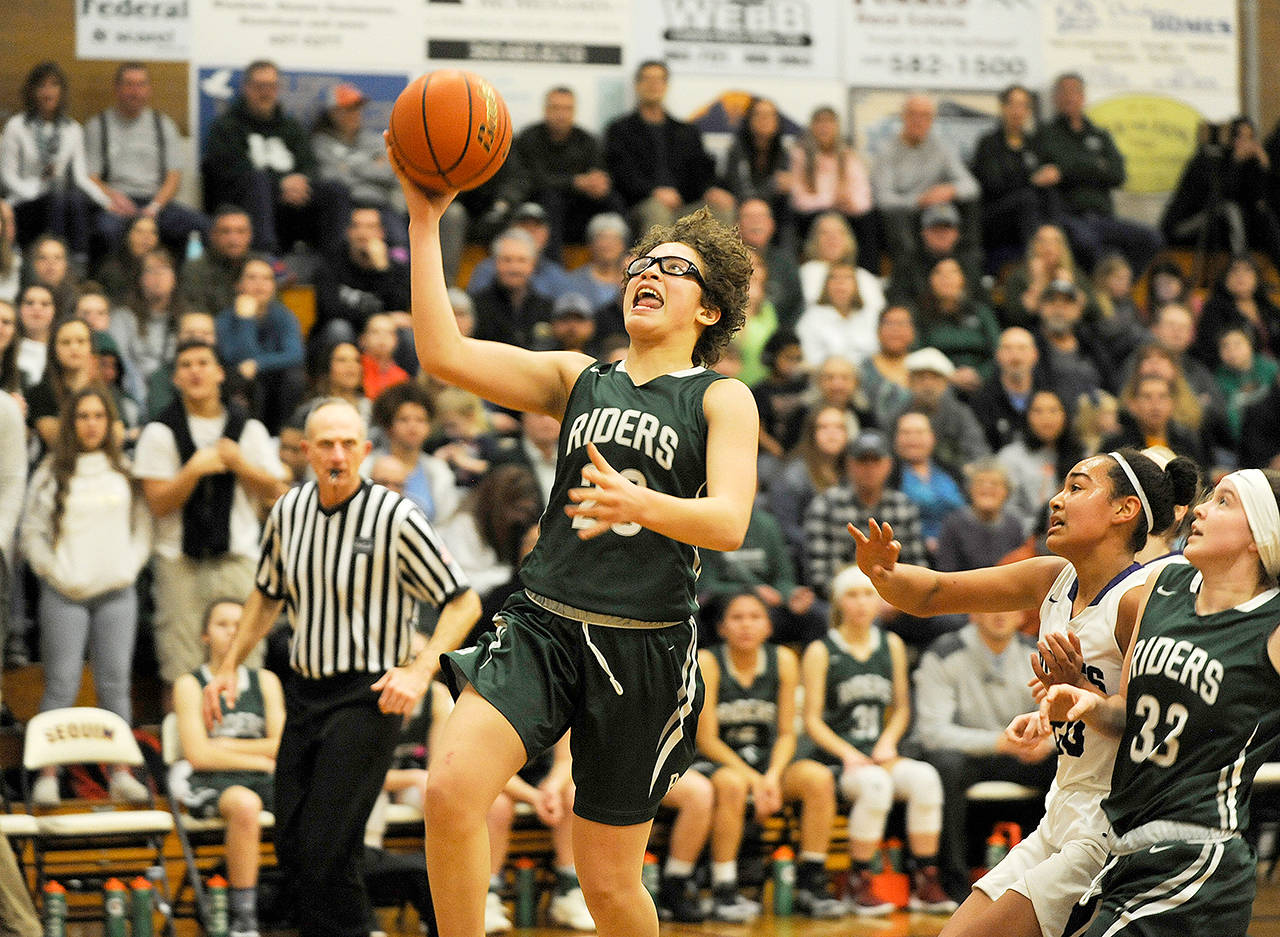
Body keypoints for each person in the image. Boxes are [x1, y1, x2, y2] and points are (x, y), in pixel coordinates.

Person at [391, 117, 758, 937]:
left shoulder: (721, 398)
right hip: (544, 624)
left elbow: (730, 521)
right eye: (642, 265)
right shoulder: (576, 377)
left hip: (645, 646)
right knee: (448, 789)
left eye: (674, 269)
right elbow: (443, 353)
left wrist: (642, 506)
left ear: (709, 309)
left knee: (608, 886)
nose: (648, 274)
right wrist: (425, 220)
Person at [849, 446, 1199, 937]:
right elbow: (934, 593)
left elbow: (1145, 717)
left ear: (1125, 510)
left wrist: (1077, 694)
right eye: (1061, 487)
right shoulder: (1051, 578)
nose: (1057, 500)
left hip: (1113, 817)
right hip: (1062, 804)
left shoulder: (1136, 600)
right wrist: (884, 575)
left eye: (1077, 487)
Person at [203, 398, 482, 937]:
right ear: (305, 451)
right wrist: (228, 666)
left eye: (348, 443)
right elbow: (266, 595)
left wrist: (420, 670)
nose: (337, 454)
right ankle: (387, 903)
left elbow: (462, 601)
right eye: (325, 443)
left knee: (326, 843)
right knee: (292, 844)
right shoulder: (288, 512)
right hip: (306, 693)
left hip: (370, 694)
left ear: (365, 450)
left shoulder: (395, 516)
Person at [1032, 468, 1280, 937]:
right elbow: (1128, 712)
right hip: (1127, 852)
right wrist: (1084, 700)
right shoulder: (1163, 587)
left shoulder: (1271, 623)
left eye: (1224, 501)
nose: (1201, 509)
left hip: (1198, 856)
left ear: (1260, 535)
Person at [799, 565, 956, 915]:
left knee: (926, 778)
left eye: (869, 594)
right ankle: (858, 881)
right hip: (837, 755)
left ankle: (924, 879)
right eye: (853, 595)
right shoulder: (821, 650)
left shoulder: (892, 644)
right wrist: (848, 753)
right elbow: (811, 720)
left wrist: (888, 741)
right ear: (839, 602)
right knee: (874, 786)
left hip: (879, 750)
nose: (861, 603)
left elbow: (901, 708)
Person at [22, 385, 152, 806]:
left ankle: (120, 773)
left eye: (98, 416)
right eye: (82, 416)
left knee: (115, 685)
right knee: (60, 686)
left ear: (109, 422)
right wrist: (53, 572)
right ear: (70, 424)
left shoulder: (125, 472)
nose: (90, 424)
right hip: (65, 594)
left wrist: (128, 568)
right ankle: (47, 776)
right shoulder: (50, 472)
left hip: (117, 593)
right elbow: (32, 533)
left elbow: (143, 529)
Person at [134, 339, 287, 689]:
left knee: (246, 667)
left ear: (220, 373)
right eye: (186, 365)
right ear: (175, 378)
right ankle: (186, 741)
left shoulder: (248, 428)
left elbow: (277, 492)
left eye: (203, 363)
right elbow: (158, 504)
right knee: (181, 669)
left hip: (239, 559)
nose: (195, 371)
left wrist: (240, 465)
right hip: (179, 563)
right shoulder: (159, 431)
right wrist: (193, 471)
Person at [691, 591, 845, 920]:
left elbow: (788, 733)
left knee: (818, 778)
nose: (746, 625)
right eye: (737, 617)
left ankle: (811, 881)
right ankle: (724, 888)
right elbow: (707, 739)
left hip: (767, 765)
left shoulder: (784, 660)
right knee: (732, 784)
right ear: (721, 628)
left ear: (768, 627)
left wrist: (772, 777)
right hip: (720, 763)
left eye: (755, 617)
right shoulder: (709, 661)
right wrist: (756, 780)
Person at [913, 608, 1056, 902]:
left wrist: (1050, 741)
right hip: (969, 756)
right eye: (990, 605)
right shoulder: (943, 653)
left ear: (1022, 615)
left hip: (1022, 752)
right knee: (944, 766)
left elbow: (1065, 716)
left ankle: (1053, 876)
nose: (1000, 614)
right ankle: (952, 882)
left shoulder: (1038, 653)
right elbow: (933, 732)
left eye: (1009, 606)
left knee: (1068, 759)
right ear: (973, 614)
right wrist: (998, 742)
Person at [172, 597, 284, 937]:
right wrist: (259, 760)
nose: (233, 631)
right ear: (205, 635)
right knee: (245, 805)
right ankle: (244, 917)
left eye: (240, 624)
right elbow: (199, 756)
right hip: (211, 779)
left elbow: (282, 745)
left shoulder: (265, 681)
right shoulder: (190, 684)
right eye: (223, 624)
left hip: (261, 773)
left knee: (319, 800)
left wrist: (226, 744)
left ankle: (316, 904)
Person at [201, 60, 350, 255]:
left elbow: (309, 164)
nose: (266, 92)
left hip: (292, 203)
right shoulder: (226, 126)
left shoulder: (291, 126)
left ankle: (337, 261)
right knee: (257, 180)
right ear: (247, 88)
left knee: (335, 190)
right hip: (247, 202)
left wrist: (300, 181)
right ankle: (265, 256)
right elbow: (228, 171)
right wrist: (280, 183)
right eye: (259, 86)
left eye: (271, 86)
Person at [1033, 73, 1162, 274]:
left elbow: (1118, 174)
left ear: (1083, 97)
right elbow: (1042, 175)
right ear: (1055, 99)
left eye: (1074, 91)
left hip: (1103, 217)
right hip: (1068, 216)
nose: (1069, 97)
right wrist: (1095, 166)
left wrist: (1065, 171)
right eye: (1064, 92)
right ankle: (1099, 292)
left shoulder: (1098, 134)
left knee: (1151, 239)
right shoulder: (1046, 134)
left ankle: (1120, 290)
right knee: (1088, 242)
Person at [86, 62, 208, 257]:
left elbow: (174, 176)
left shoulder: (163, 124)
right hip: (115, 204)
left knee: (202, 226)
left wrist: (155, 207)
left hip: (156, 203)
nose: (135, 91)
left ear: (149, 89)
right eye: (129, 84)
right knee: (104, 230)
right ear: (117, 88)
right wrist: (112, 197)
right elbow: (90, 177)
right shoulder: (97, 126)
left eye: (141, 85)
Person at [603, 60, 735, 233]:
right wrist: (654, 192)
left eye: (659, 80)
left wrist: (710, 190)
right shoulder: (620, 129)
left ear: (666, 85)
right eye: (647, 79)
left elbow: (701, 171)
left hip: (684, 204)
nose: (653, 85)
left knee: (720, 207)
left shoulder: (686, 131)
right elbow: (622, 173)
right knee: (657, 211)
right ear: (637, 85)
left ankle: (716, 261)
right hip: (641, 204)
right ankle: (659, 259)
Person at [0, 62, 111, 258]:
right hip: (24, 199)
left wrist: (106, 201)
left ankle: (78, 260)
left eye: (53, 85)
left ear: (61, 91)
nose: (48, 92)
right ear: (32, 91)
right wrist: (35, 190)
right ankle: (54, 257)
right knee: (59, 199)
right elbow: (7, 176)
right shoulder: (16, 126)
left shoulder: (72, 129)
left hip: (59, 197)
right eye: (42, 86)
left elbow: (80, 177)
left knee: (73, 198)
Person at [804, 429, 927, 598]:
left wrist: (894, 599)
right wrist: (859, 598)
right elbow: (819, 574)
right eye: (862, 460)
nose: (869, 468)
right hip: (841, 599)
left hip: (896, 600)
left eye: (876, 460)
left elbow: (918, 567)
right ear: (849, 464)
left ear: (888, 464)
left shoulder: (904, 506)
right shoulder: (825, 505)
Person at [511, 86, 622, 257]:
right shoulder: (529, 138)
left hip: (579, 207)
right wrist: (574, 182)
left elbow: (598, 172)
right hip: (543, 206)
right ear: (545, 110)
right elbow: (531, 179)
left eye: (567, 109)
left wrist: (598, 184)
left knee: (613, 200)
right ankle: (554, 263)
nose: (561, 114)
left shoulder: (587, 140)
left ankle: (627, 260)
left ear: (574, 111)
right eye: (556, 108)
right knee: (551, 198)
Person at [871, 93, 979, 265]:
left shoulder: (942, 148)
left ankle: (970, 268)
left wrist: (950, 190)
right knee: (895, 216)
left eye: (925, 116)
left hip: (937, 211)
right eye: (913, 114)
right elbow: (883, 200)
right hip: (906, 213)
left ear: (932, 120)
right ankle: (908, 273)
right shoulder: (886, 151)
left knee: (969, 203)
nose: (918, 121)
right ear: (903, 117)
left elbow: (972, 186)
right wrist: (918, 201)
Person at [1160, 117, 1280, 268]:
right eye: (1239, 137)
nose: (1243, 143)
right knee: (1231, 210)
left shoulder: (1249, 164)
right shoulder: (1208, 158)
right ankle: (1241, 268)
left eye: (1249, 138)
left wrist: (1263, 168)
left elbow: (1258, 201)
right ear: (1229, 138)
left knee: (1264, 217)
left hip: (1220, 228)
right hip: (1185, 227)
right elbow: (1216, 197)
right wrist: (1235, 162)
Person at [215, 256, 306, 435]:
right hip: (240, 384)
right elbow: (237, 358)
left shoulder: (283, 315)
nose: (260, 284)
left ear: (274, 286)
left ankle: (284, 435)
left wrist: (258, 364)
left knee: (294, 377)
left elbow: (295, 354)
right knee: (247, 381)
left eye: (266, 278)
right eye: (252, 278)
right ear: (238, 285)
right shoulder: (225, 320)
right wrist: (246, 321)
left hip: (275, 384)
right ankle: (249, 436)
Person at [971, 84, 1057, 271]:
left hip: (1028, 215)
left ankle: (1058, 264)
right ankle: (1036, 265)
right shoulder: (988, 144)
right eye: (1013, 105)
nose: (1018, 111)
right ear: (1003, 107)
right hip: (995, 217)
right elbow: (993, 184)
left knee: (1052, 201)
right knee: (1027, 199)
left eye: (1024, 106)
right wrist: (1031, 180)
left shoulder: (1034, 144)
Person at [788, 106, 875, 267]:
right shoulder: (800, 155)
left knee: (868, 221)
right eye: (819, 122)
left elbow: (864, 198)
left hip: (846, 212)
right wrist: (832, 200)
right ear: (811, 127)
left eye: (829, 122)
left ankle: (866, 272)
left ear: (837, 127)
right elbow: (799, 199)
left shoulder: (848, 156)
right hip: (811, 215)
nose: (824, 127)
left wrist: (851, 202)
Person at [999, 389, 1085, 536]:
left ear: (1065, 415)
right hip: (1024, 539)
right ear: (1026, 416)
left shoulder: (1083, 457)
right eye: (1038, 411)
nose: (1046, 418)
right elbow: (1006, 511)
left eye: (1053, 410)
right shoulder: (1009, 458)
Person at [934, 460, 1026, 573]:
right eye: (980, 482)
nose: (987, 488)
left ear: (1007, 492)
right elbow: (946, 571)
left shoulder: (1014, 525)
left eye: (995, 484)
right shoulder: (953, 524)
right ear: (970, 489)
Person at [1192, 253, 1280, 367]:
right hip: (1232, 371)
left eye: (1247, 270)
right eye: (1234, 271)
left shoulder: (1269, 307)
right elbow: (1210, 348)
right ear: (1225, 278)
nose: (1240, 276)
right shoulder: (1214, 308)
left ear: (1257, 278)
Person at [796, 257, 884, 369]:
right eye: (834, 278)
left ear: (856, 285)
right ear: (826, 285)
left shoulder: (871, 316)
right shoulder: (811, 319)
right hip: (828, 378)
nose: (840, 283)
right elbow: (809, 359)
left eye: (847, 278)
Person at [722, 97, 792, 232]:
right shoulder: (737, 148)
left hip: (775, 210)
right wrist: (772, 186)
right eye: (758, 114)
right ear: (749, 119)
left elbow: (784, 186)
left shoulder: (783, 153)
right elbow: (739, 187)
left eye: (769, 115)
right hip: (741, 206)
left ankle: (783, 253)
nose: (764, 119)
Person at [970, 327, 1044, 453]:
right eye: (1008, 349)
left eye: (1022, 348)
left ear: (1035, 355)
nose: (1015, 356)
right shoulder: (982, 400)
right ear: (998, 355)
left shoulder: (1049, 396)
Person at [180, 206, 256, 317]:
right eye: (225, 232)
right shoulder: (195, 269)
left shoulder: (260, 266)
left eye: (240, 231)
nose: (233, 239)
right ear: (213, 235)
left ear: (250, 235)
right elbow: (196, 314)